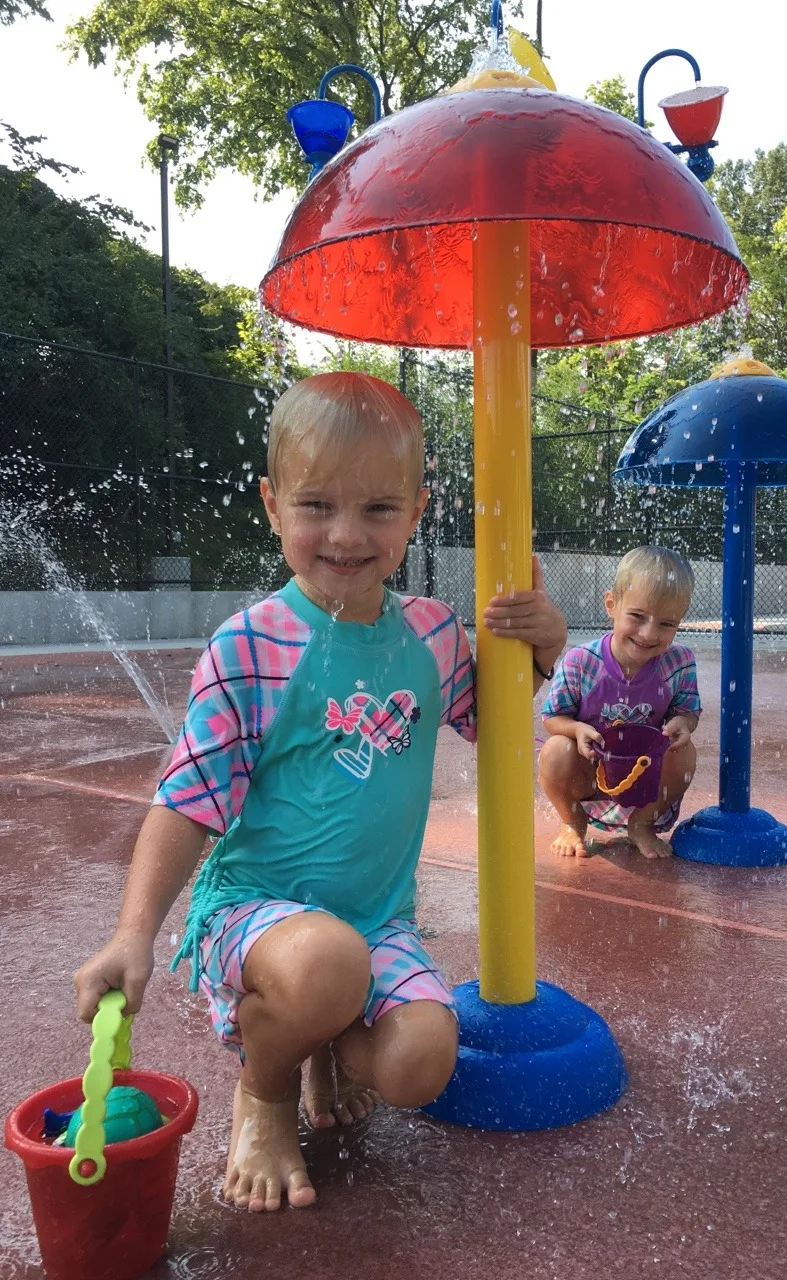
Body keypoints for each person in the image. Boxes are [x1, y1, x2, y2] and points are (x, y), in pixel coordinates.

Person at [73, 372, 567, 1213]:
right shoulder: (250, 646)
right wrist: (133, 933)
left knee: (423, 1060)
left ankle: (334, 1044)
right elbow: (188, 800)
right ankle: (265, 1092)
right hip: (255, 915)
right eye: (316, 506)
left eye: (379, 508)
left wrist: (544, 650)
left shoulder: (432, 636)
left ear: (417, 511)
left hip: (376, 921)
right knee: (323, 964)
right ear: (273, 506)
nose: (346, 534)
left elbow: (493, 722)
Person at [538, 546, 699, 860]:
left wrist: (683, 722)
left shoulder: (679, 662)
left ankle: (642, 823)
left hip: (646, 779)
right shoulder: (582, 662)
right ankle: (572, 822)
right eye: (637, 616)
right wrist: (577, 730)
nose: (648, 633)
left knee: (685, 752)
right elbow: (552, 717)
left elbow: (687, 710)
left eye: (667, 624)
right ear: (612, 604)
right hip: (589, 771)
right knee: (555, 750)